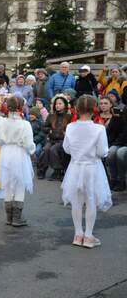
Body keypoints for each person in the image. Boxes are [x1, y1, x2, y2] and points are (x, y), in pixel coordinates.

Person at [61, 95, 112, 248]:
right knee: (90, 201)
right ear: (94, 109)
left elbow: (67, 149)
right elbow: (103, 151)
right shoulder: (99, 129)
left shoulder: (70, 127)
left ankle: (78, 234)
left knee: (76, 202)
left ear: (77, 109)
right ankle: (88, 235)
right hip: (92, 168)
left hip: (75, 167)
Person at [0, 96, 35, 227]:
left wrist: (5, 145)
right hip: (19, 153)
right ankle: (17, 218)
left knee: (7, 184)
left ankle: (9, 216)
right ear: (21, 107)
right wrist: (32, 150)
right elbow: (28, 144)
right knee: (19, 184)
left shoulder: (1, 122)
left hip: (6, 152)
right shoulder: (25, 124)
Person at [37, 95, 72, 180]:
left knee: (53, 150)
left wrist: (66, 132)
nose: (57, 105)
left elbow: (72, 128)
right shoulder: (51, 115)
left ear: (65, 105)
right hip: (52, 139)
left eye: (60, 104)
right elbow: (44, 127)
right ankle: (42, 170)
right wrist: (49, 130)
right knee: (46, 149)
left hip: (62, 140)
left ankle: (57, 171)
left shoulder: (69, 117)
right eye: (56, 104)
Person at [107, 108, 127, 192]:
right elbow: (112, 131)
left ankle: (121, 180)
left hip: (123, 145)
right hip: (120, 142)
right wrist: (115, 119)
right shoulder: (122, 113)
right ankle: (113, 179)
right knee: (111, 152)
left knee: (120, 153)